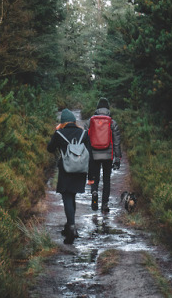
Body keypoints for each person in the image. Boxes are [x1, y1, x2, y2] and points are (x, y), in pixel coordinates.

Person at [47, 108, 93, 244]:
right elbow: (89, 156)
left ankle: (71, 228)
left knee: (67, 197)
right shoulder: (84, 133)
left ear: (62, 123)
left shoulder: (59, 133)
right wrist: (91, 176)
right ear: (74, 121)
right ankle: (69, 226)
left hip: (66, 170)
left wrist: (56, 132)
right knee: (72, 195)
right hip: (80, 170)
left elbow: (50, 148)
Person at [84, 98, 122, 214]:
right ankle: (104, 203)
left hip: (94, 155)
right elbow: (116, 142)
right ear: (108, 108)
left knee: (94, 177)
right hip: (108, 156)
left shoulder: (90, 121)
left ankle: (94, 192)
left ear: (97, 108)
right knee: (106, 179)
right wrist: (117, 157)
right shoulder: (112, 122)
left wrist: (86, 155)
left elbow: (85, 139)